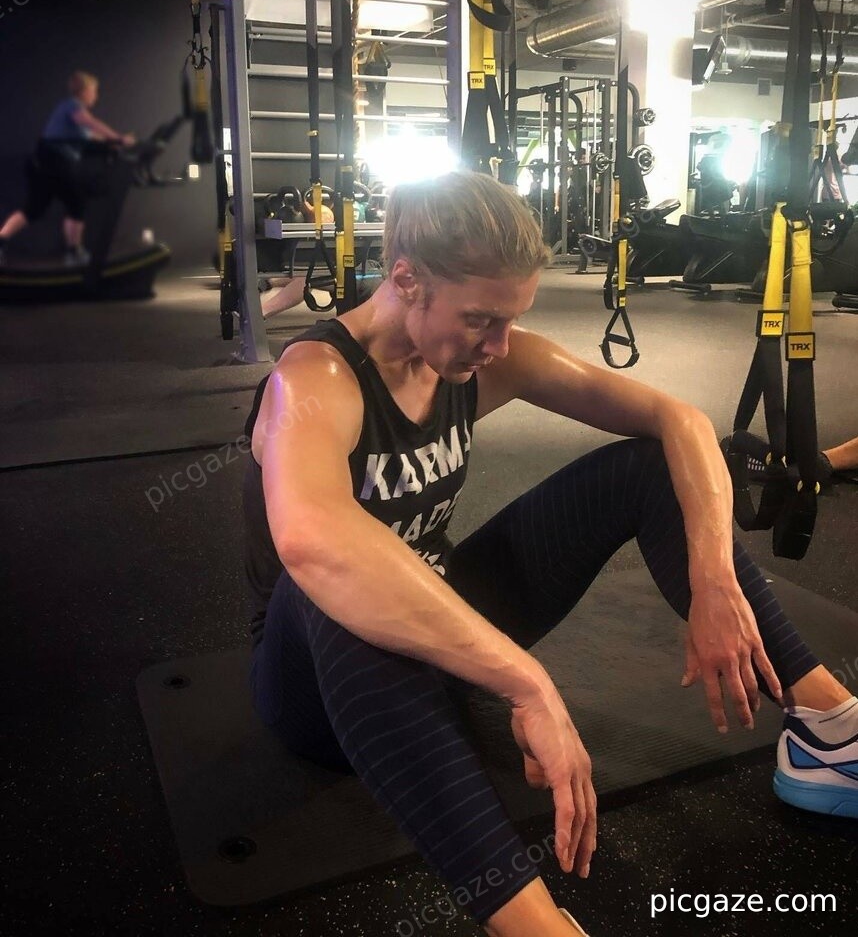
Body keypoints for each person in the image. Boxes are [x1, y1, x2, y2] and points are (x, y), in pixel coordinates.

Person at [243, 171, 857, 937]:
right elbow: (314, 541)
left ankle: (832, 731)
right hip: (313, 681)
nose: (499, 346)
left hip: (441, 623)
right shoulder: (313, 380)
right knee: (335, 580)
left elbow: (681, 421)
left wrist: (712, 579)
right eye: (480, 319)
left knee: (645, 467)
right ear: (405, 281)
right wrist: (526, 681)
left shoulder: (480, 356)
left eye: (511, 320)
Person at [0, 71, 135, 265]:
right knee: (76, 202)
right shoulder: (73, 106)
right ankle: (74, 253)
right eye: (94, 91)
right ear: (84, 91)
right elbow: (90, 123)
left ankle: (1, 241)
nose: (96, 95)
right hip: (52, 161)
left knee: (34, 209)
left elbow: (93, 137)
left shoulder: (74, 120)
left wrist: (115, 143)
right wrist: (119, 138)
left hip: (42, 163)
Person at [696, 133, 735, 216]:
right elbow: (717, 173)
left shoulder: (707, 158)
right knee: (720, 199)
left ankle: (716, 215)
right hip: (713, 184)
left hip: (708, 184)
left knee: (712, 200)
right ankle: (721, 215)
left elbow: (699, 167)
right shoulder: (714, 159)